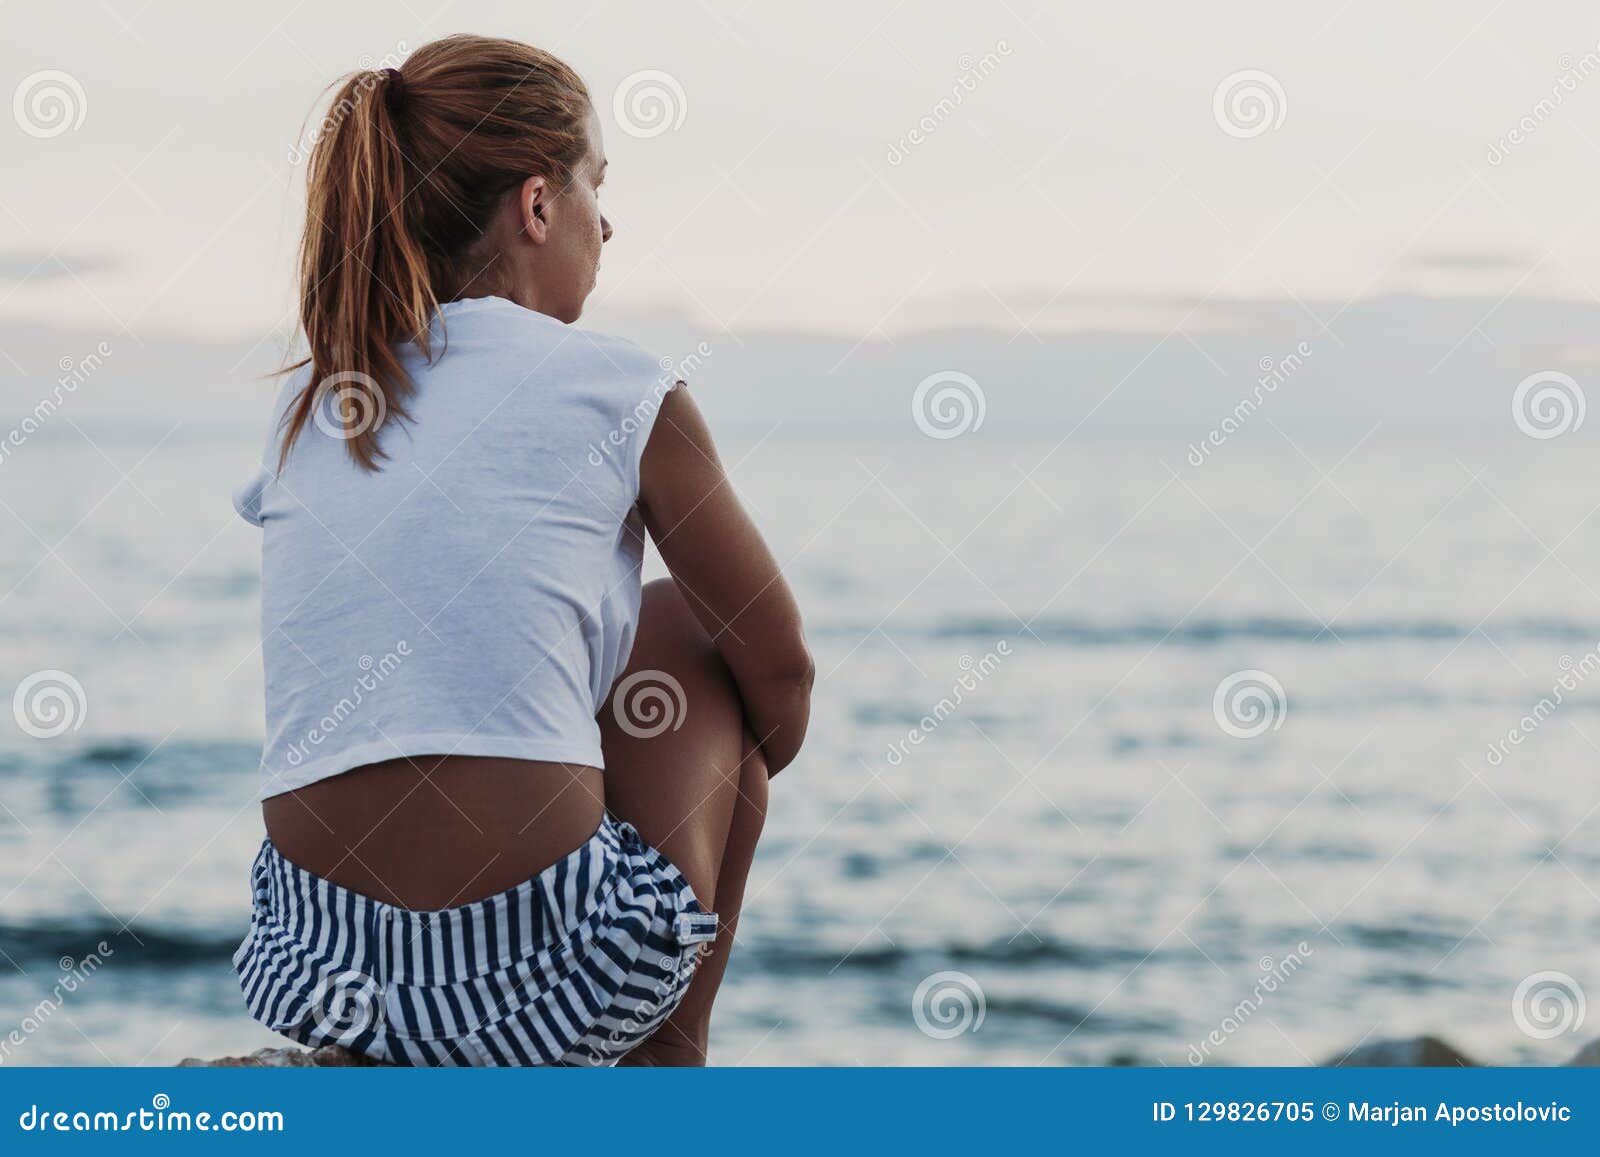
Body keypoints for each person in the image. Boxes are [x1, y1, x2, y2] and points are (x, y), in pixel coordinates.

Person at [229, 34, 812, 1067]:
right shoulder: (621, 388)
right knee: (688, 627)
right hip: (552, 980)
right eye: (597, 183)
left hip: (318, 970)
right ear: (537, 207)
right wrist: (730, 776)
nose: (609, 220)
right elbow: (781, 669)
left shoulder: (314, 396)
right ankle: (670, 1063)